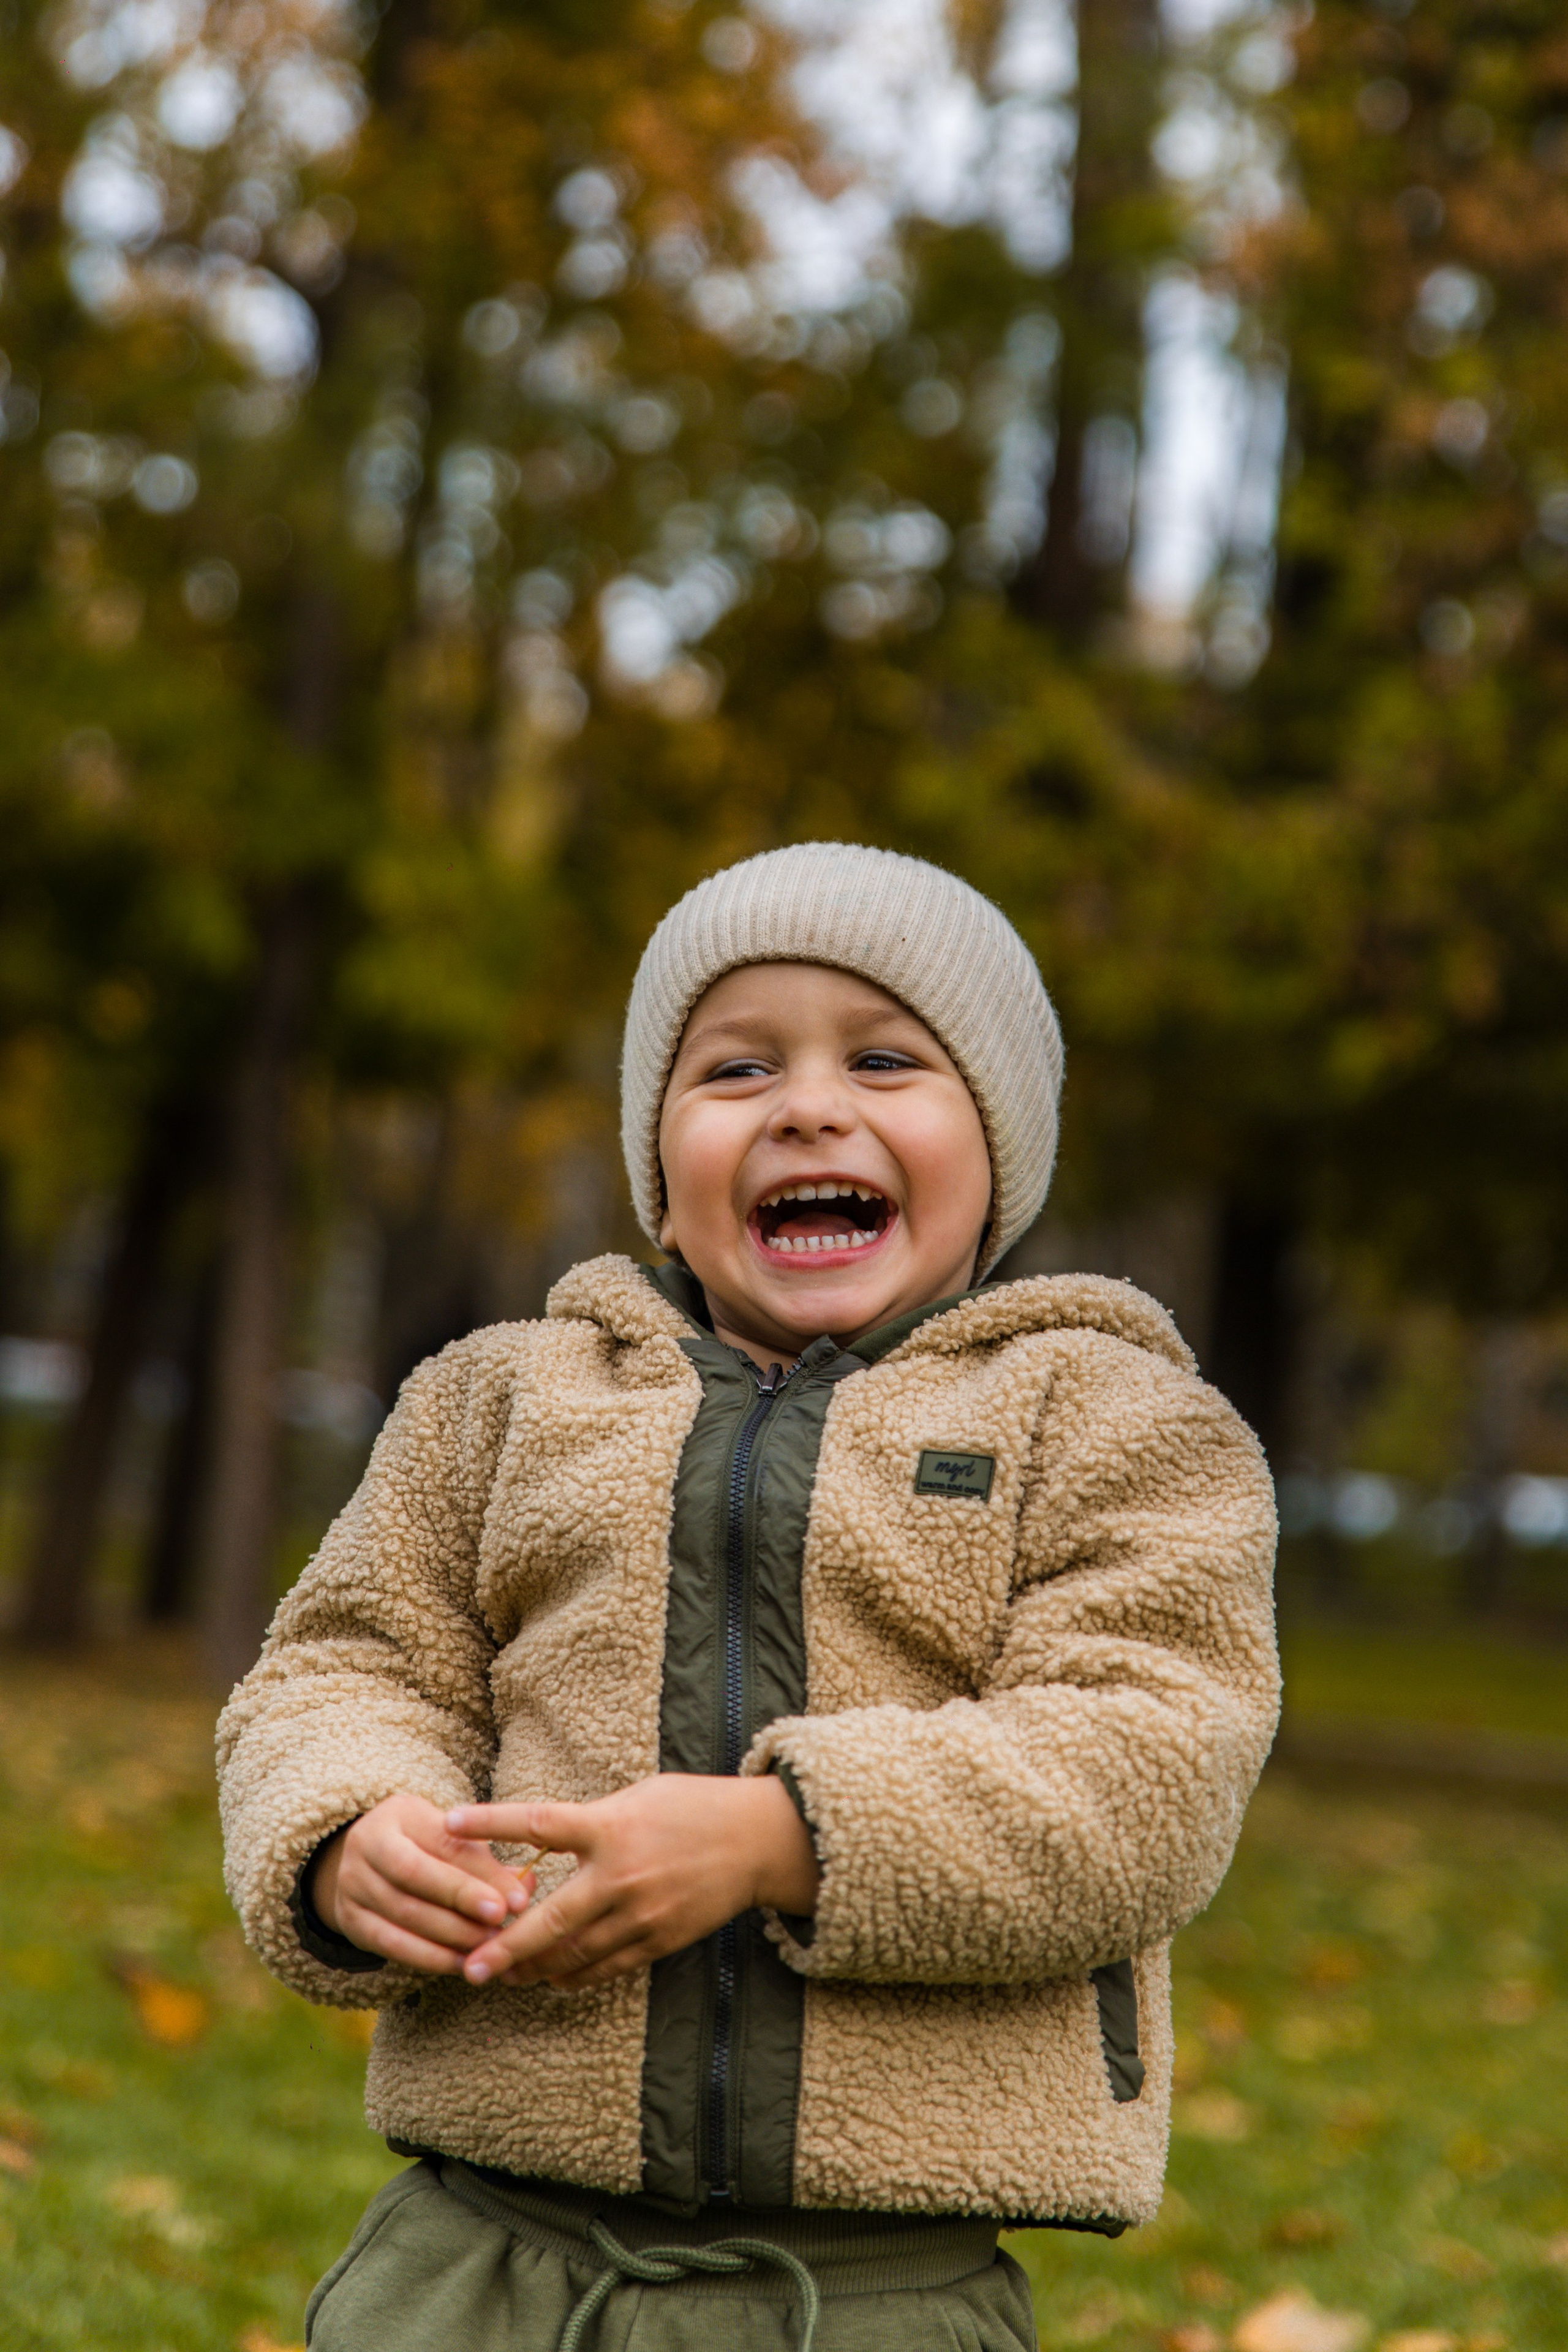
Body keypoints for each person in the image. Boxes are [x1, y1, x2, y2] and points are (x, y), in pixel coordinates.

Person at [217, 842, 1280, 2352]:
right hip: (480, 2261)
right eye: (735, 1069)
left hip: (869, 2295)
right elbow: (345, 1665)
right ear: (659, 1174)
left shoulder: (1113, 1424)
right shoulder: (499, 1403)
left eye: (884, 1059)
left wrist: (778, 1838)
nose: (807, 1106)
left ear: (999, 1149)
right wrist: (345, 1835)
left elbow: (1145, 1761)